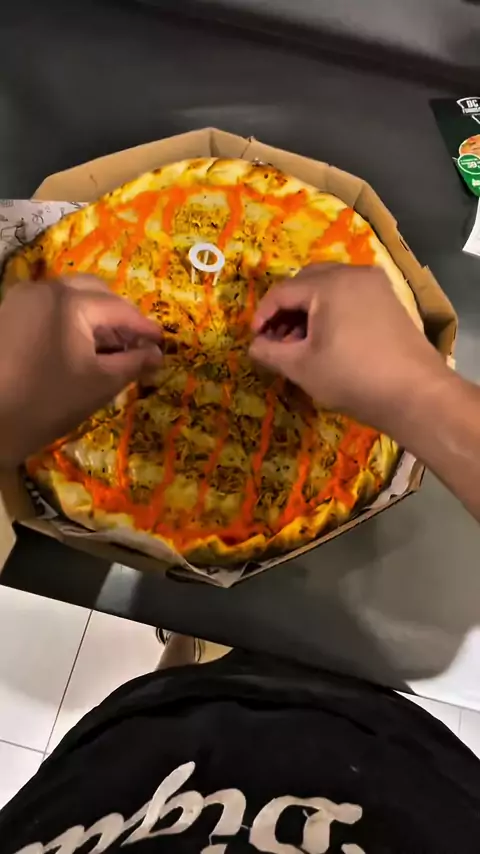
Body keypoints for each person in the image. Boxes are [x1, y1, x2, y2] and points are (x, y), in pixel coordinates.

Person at [0, 266, 479, 853]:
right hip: (392, 775)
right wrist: (418, 391)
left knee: (171, 699)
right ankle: (205, 662)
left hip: (111, 788)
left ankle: (190, 663)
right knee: (307, 679)